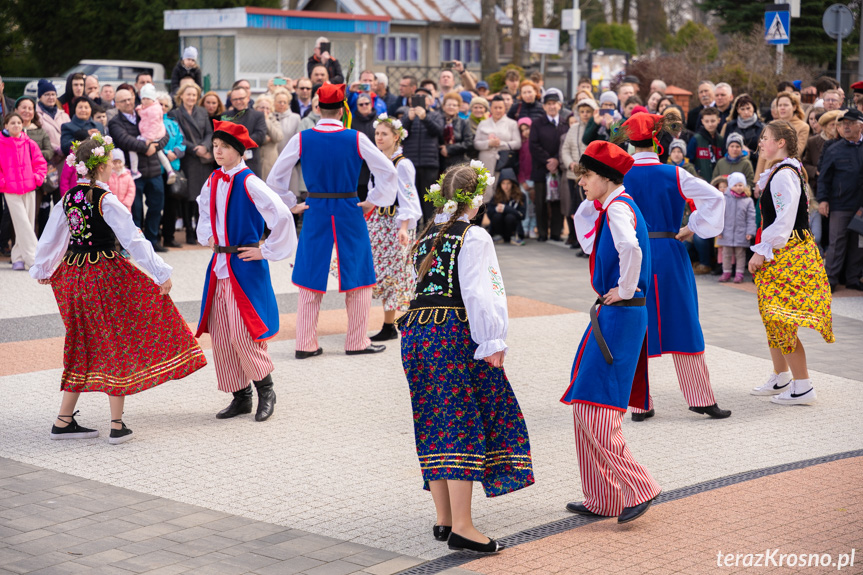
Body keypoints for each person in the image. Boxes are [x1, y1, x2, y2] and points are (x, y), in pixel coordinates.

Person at [31, 133, 206, 443]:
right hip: (103, 274)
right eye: (111, 162)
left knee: (81, 340)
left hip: (74, 276)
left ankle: (63, 419)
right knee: (116, 338)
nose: (114, 167)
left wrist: (44, 267)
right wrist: (159, 272)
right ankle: (116, 424)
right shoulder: (105, 199)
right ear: (101, 166)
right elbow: (133, 239)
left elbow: (52, 236)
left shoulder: (68, 197)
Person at [398, 161, 533, 554]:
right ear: (476, 200)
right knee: (462, 419)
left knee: (433, 415)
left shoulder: (427, 235)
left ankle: (443, 518)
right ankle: (463, 527)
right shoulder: (473, 237)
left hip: (417, 333)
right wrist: (493, 341)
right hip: (451, 333)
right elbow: (483, 292)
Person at [562, 140, 661, 523]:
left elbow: (630, 250)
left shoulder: (619, 207)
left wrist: (624, 288)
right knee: (586, 401)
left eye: (586, 176)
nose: (582, 183)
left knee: (596, 406)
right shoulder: (618, 204)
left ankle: (640, 487)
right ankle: (601, 497)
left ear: (603, 175)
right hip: (617, 315)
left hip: (621, 315)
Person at [267, 83, 399, 357]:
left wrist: (292, 203)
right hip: (350, 207)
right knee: (359, 274)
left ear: (317, 109)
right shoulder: (356, 137)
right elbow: (387, 171)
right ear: (342, 110)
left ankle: (304, 343)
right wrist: (373, 199)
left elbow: (275, 178)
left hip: (315, 207)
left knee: (309, 274)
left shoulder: (302, 138)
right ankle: (356, 341)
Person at [621, 113, 731, 421]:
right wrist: (691, 226)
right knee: (683, 321)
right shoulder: (675, 173)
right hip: (669, 250)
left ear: (630, 140)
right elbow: (714, 198)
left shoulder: (620, 174)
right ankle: (700, 397)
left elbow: (592, 212)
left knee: (635, 322)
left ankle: (639, 403)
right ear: (657, 140)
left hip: (635, 253)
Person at [195, 120, 297, 421]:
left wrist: (265, 250)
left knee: (244, 333)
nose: (218, 151)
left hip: (244, 266)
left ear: (239, 151)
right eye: (215, 146)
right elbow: (204, 210)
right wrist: (207, 236)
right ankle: (241, 396)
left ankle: (266, 390)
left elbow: (281, 216)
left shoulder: (249, 181)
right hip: (220, 265)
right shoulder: (213, 179)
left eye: (224, 147)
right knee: (223, 334)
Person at [749, 120, 834, 404]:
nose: (761, 142)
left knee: (780, 318)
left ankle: (803, 386)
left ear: (781, 142)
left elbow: (784, 220)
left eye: (765, 137)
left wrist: (762, 249)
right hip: (790, 251)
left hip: (790, 253)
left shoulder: (784, 174)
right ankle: (782, 376)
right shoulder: (783, 170)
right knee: (772, 315)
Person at [364, 113, 423, 340]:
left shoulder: (402, 164)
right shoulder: (378, 160)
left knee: (396, 272)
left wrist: (403, 227)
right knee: (376, 269)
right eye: (377, 133)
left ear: (396, 136)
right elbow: (374, 193)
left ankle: (392, 324)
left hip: (396, 222)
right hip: (378, 221)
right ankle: (389, 324)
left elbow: (408, 196)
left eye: (384, 134)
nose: (379, 137)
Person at [108, 88, 171, 252]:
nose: (128, 103)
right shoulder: (115, 122)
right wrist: (147, 147)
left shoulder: (146, 111)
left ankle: (152, 240)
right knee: (134, 210)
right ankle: (134, 244)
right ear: (117, 104)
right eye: (123, 101)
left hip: (154, 168)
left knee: (156, 206)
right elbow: (124, 140)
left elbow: (164, 134)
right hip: (133, 173)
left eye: (130, 99)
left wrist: (156, 145)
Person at [817, 108, 863, 292]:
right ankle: (830, 280)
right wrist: (823, 200)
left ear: (861, 125)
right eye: (844, 124)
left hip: (861, 205)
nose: (846, 127)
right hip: (840, 204)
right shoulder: (833, 149)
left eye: (850, 123)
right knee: (837, 242)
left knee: (859, 243)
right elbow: (824, 178)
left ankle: (853, 278)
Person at [0, 113, 47, 270]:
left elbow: (40, 162)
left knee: (27, 222)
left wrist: (36, 178)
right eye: (12, 123)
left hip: (29, 187)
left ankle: (18, 258)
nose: (16, 125)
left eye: (19, 123)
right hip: (10, 189)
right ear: (6, 125)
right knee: (22, 223)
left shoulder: (29, 143)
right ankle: (35, 258)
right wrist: (3, 182)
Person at [170, 83, 214, 245]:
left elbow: (210, 132)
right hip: (188, 158)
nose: (191, 98)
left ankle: (200, 231)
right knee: (188, 196)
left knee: (203, 196)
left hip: (203, 159)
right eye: (188, 94)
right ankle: (189, 230)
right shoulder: (175, 113)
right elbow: (176, 136)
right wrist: (195, 149)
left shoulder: (202, 112)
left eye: (194, 95)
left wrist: (205, 146)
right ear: (181, 95)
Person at [398, 87, 444, 222]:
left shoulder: (435, 114)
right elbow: (400, 134)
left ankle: (429, 228)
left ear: (430, 100)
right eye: (417, 97)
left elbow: (438, 131)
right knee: (412, 197)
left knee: (429, 199)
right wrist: (409, 120)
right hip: (410, 162)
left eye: (423, 97)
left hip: (429, 163)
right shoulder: (407, 115)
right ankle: (414, 227)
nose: (420, 100)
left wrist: (425, 117)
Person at [529, 91, 568, 242]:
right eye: (549, 104)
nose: (552, 106)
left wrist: (557, 160)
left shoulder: (565, 123)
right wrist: (548, 161)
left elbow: (566, 145)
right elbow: (533, 145)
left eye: (554, 103)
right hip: (541, 168)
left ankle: (557, 232)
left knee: (558, 201)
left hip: (559, 168)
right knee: (541, 201)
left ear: (560, 105)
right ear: (544, 106)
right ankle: (543, 232)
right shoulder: (537, 124)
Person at [561, 98, 596, 253]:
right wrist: (570, 163)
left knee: (587, 207)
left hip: (589, 174)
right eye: (582, 111)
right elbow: (565, 149)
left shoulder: (595, 128)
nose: (585, 114)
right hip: (572, 174)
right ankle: (577, 239)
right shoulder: (573, 128)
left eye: (588, 111)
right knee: (575, 208)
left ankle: (588, 243)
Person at [15, 96, 55, 233]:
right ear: (16, 110)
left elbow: (49, 152)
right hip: (14, 181)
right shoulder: (10, 131)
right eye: (23, 108)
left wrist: (30, 155)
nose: (27, 111)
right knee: (15, 216)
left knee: (33, 215)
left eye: (30, 108)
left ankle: (33, 248)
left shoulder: (40, 131)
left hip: (35, 180)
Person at [156, 92, 186, 248]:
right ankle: (155, 237)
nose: (162, 107)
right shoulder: (151, 122)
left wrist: (177, 152)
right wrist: (167, 153)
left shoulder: (174, 123)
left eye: (165, 105)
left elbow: (182, 142)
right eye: (159, 104)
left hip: (173, 168)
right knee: (157, 204)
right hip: (157, 168)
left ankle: (169, 236)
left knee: (172, 204)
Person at [130, 84, 177, 184]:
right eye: (143, 98)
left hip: (151, 136)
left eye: (148, 98)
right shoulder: (148, 107)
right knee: (160, 153)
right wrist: (139, 109)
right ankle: (170, 171)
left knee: (132, 149)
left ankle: (134, 170)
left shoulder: (154, 110)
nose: (145, 100)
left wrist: (149, 138)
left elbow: (154, 125)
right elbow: (143, 111)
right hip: (152, 135)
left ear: (153, 99)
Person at [755, 92, 809, 178]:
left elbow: (797, 152)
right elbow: (762, 153)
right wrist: (757, 179)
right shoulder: (771, 124)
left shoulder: (803, 126)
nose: (782, 108)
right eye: (780, 105)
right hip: (767, 172)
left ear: (794, 107)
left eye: (786, 105)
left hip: (787, 172)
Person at [716, 172, 756, 283]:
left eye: (740, 185)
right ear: (730, 186)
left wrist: (750, 232)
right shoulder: (724, 199)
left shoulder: (748, 201)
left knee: (740, 254)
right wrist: (719, 230)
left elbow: (751, 218)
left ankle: (739, 274)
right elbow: (720, 216)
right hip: (726, 232)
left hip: (741, 233)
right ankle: (726, 272)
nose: (738, 188)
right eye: (735, 185)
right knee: (726, 254)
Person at [474, 95, 521, 186]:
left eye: (500, 108)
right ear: (491, 108)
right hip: (486, 160)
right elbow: (476, 143)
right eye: (495, 108)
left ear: (505, 108)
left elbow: (518, 143)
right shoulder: (483, 123)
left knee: (502, 186)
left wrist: (502, 144)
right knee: (485, 188)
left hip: (504, 160)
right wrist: (488, 143)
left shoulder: (512, 124)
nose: (498, 110)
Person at [222, 86, 268, 177]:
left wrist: (239, 146)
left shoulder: (258, 115)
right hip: (230, 163)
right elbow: (223, 137)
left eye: (241, 98)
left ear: (248, 98)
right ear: (231, 101)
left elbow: (260, 135)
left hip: (251, 163)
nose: (238, 101)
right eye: (235, 99)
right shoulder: (225, 116)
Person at [723, 94, 764, 171]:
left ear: (754, 108)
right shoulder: (731, 126)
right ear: (737, 110)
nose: (746, 112)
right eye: (742, 109)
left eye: (748, 108)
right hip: (733, 167)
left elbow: (765, 154)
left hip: (755, 167)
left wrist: (750, 153)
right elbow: (724, 149)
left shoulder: (762, 128)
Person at [487, 168, 525, 245]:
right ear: (500, 184)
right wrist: (496, 209)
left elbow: (522, 215)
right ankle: (498, 235)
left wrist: (506, 209)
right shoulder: (496, 196)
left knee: (510, 216)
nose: (506, 186)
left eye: (508, 183)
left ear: (513, 184)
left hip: (513, 230)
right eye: (503, 183)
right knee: (497, 215)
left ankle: (513, 236)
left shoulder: (521, 196)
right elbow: (489, 213)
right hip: (499, 231)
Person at [687, 107, 725, 181]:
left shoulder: (721, 140)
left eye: (713, 121)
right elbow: (688, 162)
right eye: (707, 121)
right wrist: (696, 174)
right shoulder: (696, 139)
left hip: (718, 182)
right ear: (702, 121)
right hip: (700, 181)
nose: (710, 124)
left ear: (719, 120)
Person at [439, 92, 474, 172]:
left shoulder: (463, 123)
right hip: (440, 162)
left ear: (458, 108)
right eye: (449, 105)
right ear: (444, 106)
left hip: (459, 162)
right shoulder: (437, 121)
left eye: (454, 105)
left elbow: (468, 143)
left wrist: (449, 149)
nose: (451, 107)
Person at [252, 95, 284, 181]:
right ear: (256, 108)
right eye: (262, 107)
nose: (265, 110)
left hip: (270, 162)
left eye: (267, 108)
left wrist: (266, 121)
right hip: (255, 162)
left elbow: (278, 137)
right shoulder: (252, 121)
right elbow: (253, 138)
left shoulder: (274, 121)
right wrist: (266, 139)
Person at [517, 118, 535, 238]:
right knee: (525, 205)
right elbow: (519, 164)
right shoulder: (520, 145)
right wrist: (522, 180)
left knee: (534, 205)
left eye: (527, 129)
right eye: (522, 130)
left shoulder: (536, 143)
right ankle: (524, 227)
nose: (525, 132)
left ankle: (533, 227)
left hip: (534, 179)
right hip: (523, 180)